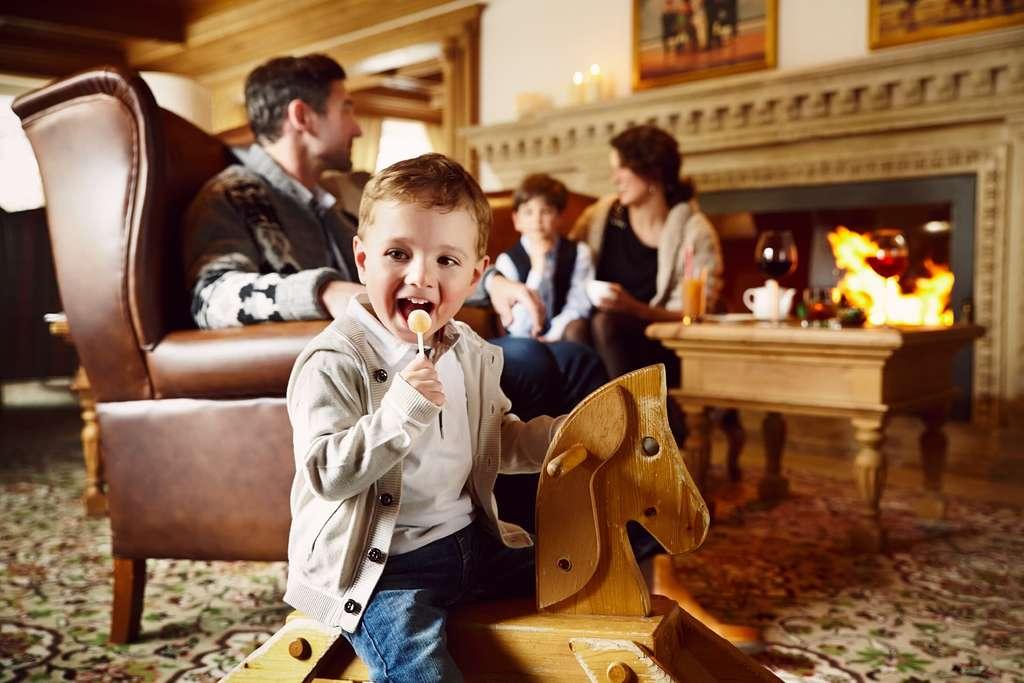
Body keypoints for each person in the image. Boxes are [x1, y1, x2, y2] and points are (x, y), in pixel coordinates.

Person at [284, 153, 658, 681]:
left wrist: (561, 435)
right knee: (423, 672)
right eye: (398, 253)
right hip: (384, 572)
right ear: (362, 260)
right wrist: (400, 413)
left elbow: (496, 441)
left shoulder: (467, 352)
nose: (421, 276)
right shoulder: (334, 362)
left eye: (446, 261)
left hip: (471, 546)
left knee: (588, 576)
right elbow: (325, 473)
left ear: (477, 273)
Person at [182, 53, 602, 426]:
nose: (358, 128)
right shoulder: (234, 193)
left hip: (407, 342)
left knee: (577, 360)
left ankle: (601, 502)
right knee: (527, 363)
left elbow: (420, 262)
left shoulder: (339, 196)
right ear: (302, 116)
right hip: (365, 359)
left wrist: (493, 284)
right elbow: (212, 298)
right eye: (345, 108)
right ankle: (516, 512)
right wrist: (324, 289)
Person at [570, 123, 723, 383]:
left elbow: (693, 313)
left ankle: (635, 418)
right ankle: (595, 418)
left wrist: (634, 308)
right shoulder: (600, 216)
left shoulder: (694, 231)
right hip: (600, 336)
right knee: (576, 328)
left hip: (662, 343)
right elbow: (567, 256)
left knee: (606, 323)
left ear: (652, 172)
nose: (614, 178)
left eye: (622, 169)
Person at [493, 173, 594, 344]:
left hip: (563, 334)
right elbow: (518, 328)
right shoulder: (507, 261)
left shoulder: (579, 253)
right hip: (523, 340)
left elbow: (579, 305)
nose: (537, 220)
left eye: (546, 211)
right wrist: (538, 270)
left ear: (560, 217)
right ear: (517, 220)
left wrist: (553, 334)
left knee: (577, 330)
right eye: (528, 212)